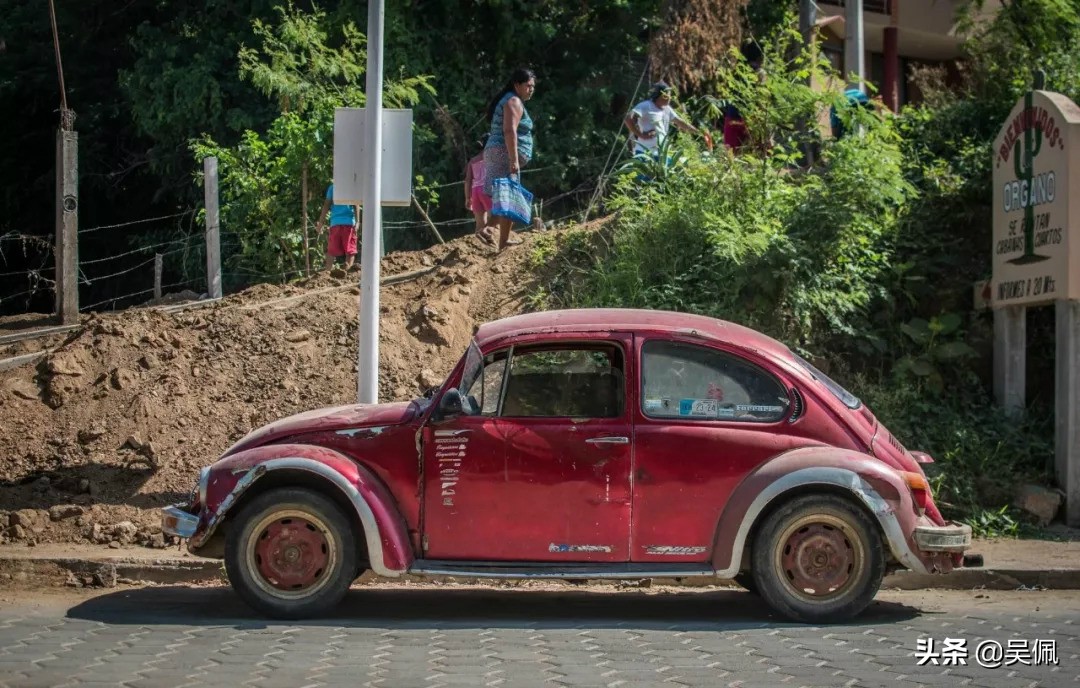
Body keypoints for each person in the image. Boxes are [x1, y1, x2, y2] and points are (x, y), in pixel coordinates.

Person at [484, 68, 536, 251]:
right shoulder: (513, 101)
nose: (531, 89)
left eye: (533, 86)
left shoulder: (509, 99)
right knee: (506, 195)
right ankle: (487, 228)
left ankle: (503, 241)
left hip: (499, 152)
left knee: (509, 195)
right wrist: (514, 159)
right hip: (504, 154)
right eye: (528, 86)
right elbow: (509, 130)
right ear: (517, 85)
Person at [624, 81, 712, 157]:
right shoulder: (646, 106)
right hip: (645, 152)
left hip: (661, 153)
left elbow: (681, 123)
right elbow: (628, 119)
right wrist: (641, 135)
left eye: (670, 95)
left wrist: (699, 132)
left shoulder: (667, 109)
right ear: (659, 95)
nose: (669, 98)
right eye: (667, 95)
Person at [314, 182, 360, 272]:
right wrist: (358, 222)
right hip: (349, 223)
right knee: (350, 251)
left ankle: (327, 272)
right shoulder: (352, 186)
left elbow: (326, 205)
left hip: (335, 223)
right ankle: (348, 272)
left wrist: (320, 223)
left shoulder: (332, 187)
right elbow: (356, 204)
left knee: (331, 251)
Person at [464, 137, 495, 245]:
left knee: (479, 223)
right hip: (487, 189)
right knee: (493, 219)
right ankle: (494, 245)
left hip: (475, 191)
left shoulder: (473, 160)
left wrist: (468, 197)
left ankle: (479, 248)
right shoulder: (492, 158)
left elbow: (468, 180)